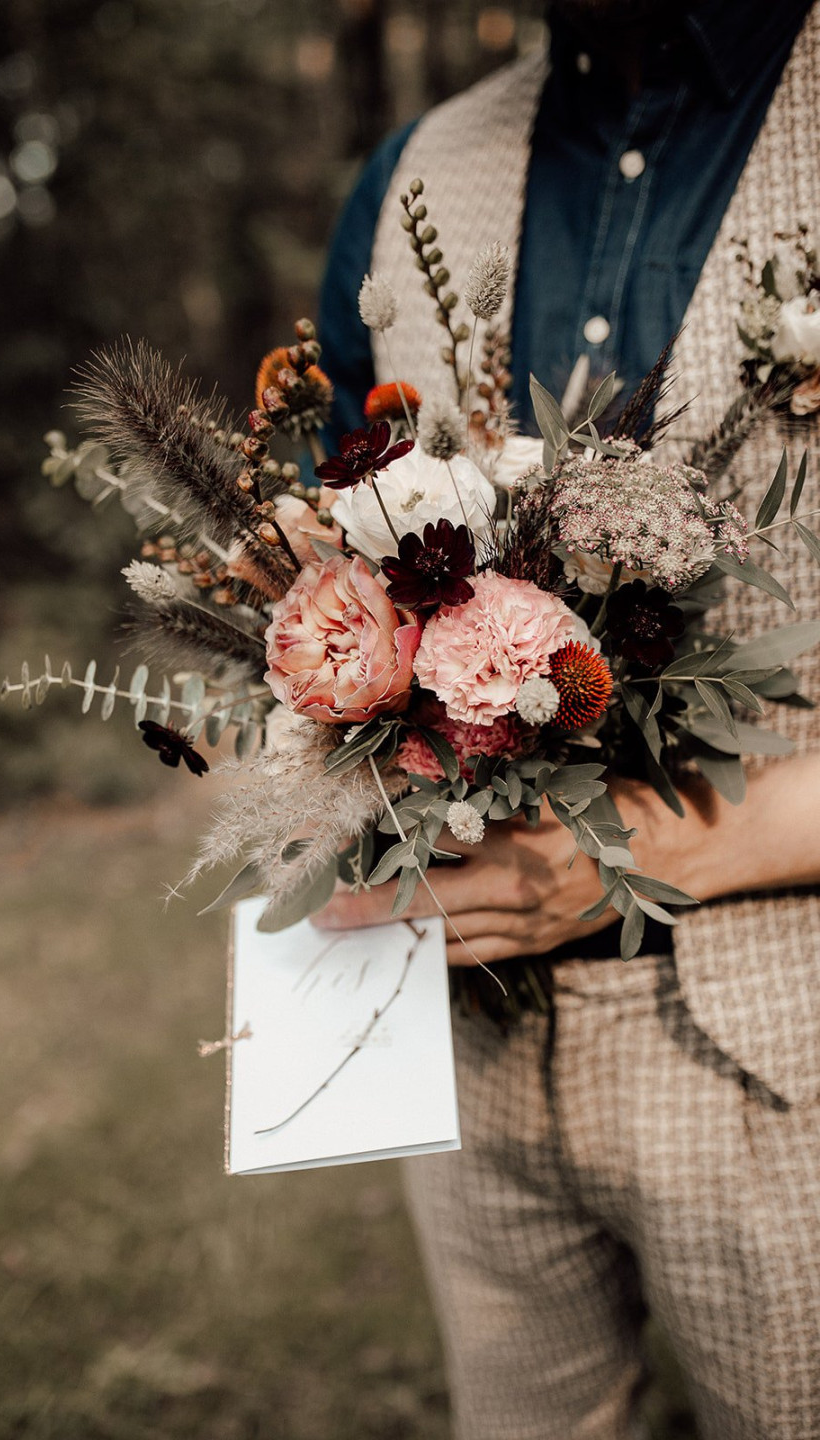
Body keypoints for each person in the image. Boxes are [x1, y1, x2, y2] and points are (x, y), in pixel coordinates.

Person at [313, 3, 820, 1437]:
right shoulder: (413, 174)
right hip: (469, 1056)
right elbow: (315, 559)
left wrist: (652, 849)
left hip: (791, 1063)